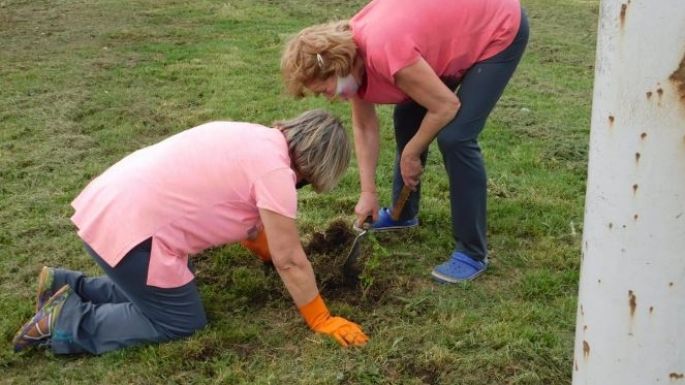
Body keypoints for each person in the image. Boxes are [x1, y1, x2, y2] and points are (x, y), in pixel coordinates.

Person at [12, 109, 369, 354]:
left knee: (178, 280)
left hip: (109, 205)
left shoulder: (251, 136)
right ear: (314, 167)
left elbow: (247, 222)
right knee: (180, 319)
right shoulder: (275, 175)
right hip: (133, 234)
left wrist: (267, 250)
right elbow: (290, 260)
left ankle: (66, 286)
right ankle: (67, 321)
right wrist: (320, 318)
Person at [281, 0, 529, 283]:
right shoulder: (353, 58)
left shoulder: (385, 52)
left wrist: (412, 152)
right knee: (407, 118)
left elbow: (445, 107)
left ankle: (472, 252)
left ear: (336, 66)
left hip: (496, 26)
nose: (328, 97)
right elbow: (364, 126)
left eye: (324, 89)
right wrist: (368, 193)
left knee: (456, 138)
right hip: (436, 40)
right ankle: (403, 214)